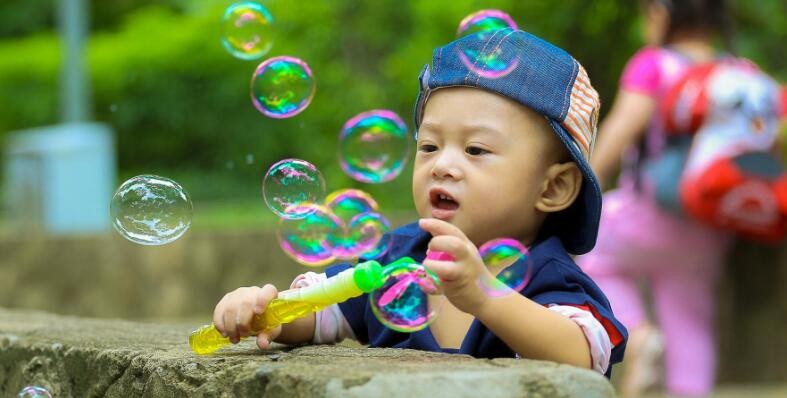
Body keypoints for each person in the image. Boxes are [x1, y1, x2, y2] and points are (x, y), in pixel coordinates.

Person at [213, 29, 627, 377]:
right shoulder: (395, 258)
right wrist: (264, 312)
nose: (442, 165)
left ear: (552, 188)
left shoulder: (547, 275)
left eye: (476, 149)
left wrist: (484, 294)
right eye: (429, 145)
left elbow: (582, 357)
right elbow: (324, 315)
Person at [576, 0, 735, 395]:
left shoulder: (655, 64)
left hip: (646, 215)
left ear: (662, 13)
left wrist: (583, 184)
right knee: (690, 320)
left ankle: (638, 334)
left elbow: (621, 130)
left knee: (590, 257)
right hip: (708, 227)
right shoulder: (738, 72)